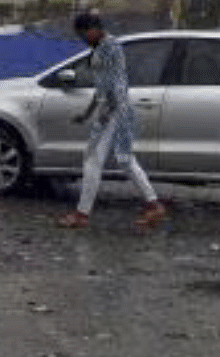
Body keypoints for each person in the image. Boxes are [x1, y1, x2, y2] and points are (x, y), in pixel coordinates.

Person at [57, 12, 167, 229]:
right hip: (118, 109)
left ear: (92, 29)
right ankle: (154, 205)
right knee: (125, 160)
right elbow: (102, 86)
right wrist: (88, 113)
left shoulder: (108, 48)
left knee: (92, 159)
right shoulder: (106, 47)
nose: (82, 39)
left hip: (114, 110)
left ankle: (82, 214)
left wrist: (109, 110)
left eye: (82, 34)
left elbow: (114, 82)